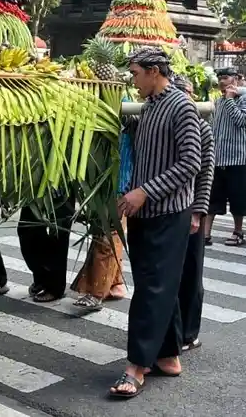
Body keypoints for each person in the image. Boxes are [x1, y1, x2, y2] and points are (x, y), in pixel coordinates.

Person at [108, 47, 202, 400]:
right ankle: (167, 353)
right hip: (144, 213)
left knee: (152, 289)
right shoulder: (149, 107)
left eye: (135, 73)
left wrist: (145, 192)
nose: (133, 80)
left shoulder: (180, 106)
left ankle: (136, 366)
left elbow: (191, 161)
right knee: (157, 284)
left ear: (153, 71)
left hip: (168, 212)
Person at [174, 74, 213, 353]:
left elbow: (205, 174)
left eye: (185, 93)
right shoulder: (160, 119)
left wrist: (198, 212)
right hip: (166, 209)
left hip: (190, 208)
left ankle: (189, 332)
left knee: (191, 271)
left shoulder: (202, 128)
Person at [205, 67, 246, 246]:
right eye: (220, 78)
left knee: (238, 197)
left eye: (225, 78)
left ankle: (238, 231)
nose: (222, 82)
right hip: (218, 158)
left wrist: (230, 100)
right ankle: (206, 234)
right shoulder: (217, 102)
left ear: (236, 79)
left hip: (239, 158)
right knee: (212, 197)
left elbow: (241, 120)